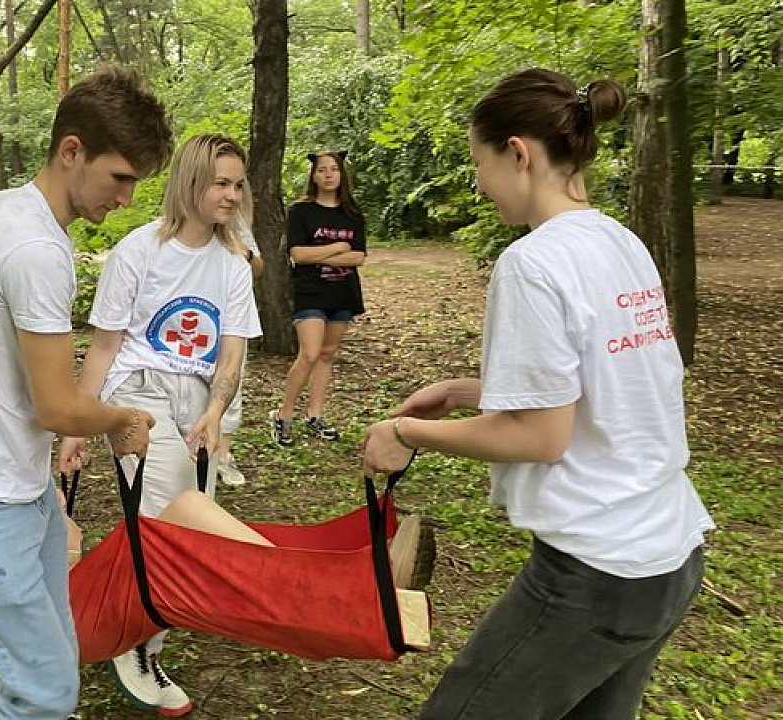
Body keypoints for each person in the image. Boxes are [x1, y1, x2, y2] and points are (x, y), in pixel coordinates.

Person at [361, 69, 714, 720]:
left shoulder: (534, 260)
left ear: (518, 153)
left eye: (480, 164)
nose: (480, 183)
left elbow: (540, 436)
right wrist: (470, 390)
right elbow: (607, 381)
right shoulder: (619, 241)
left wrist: (405, 434)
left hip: (597, 575)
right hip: (669, 556)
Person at [0, 65, 172, 720]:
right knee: (45, 694)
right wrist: (120, 419)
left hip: (7, 485)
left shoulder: (1, 208)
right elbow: (58, 407)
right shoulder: (36, 248)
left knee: (58, 653)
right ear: (71, 151)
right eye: (121, 177)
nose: (128, 199)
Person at [57, 133, 262, 717]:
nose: (231, 194)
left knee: (194, 522)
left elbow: (232, 352)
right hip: (137, 392)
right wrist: (77, 421)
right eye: (221, 182)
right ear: (190, 182)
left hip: (197, 398)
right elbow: (103, 347)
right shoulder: (137, 251)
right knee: (162, 514)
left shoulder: (232, 264)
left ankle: (133, 615)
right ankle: (136, 644)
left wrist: (216, 414)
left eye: (238, 183)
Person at [269, 151, 367, 446]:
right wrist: (338, 246)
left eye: (333, 169)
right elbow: (298, 255)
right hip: (310, 292)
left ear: (341, 175)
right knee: (309, 353)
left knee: (326, 354)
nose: (328, 174)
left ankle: (315, 415)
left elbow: (359, 257)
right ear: (313, 175)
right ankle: (283, 415)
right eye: (322, 169)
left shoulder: (353, 213)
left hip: (343, 292)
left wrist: (321, 253)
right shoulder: (301, 211)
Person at [217, 219, 264, 487]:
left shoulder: (236, 225)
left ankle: (223, 454)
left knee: (232, 377)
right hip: (196, 318)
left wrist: (242, 250)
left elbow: (258, 266)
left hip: (234, 317)